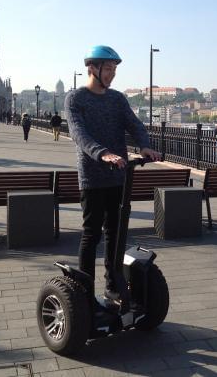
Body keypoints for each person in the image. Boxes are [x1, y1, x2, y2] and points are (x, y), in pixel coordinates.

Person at [65, 45, 161, 300]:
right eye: (108, 68)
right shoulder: (75, 99)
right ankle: (85, 291)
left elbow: (135, 124)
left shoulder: (117, 99)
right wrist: (101, 152)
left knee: (116, 234)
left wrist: (145, 146)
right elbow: (78, 133)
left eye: (114, 69)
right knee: (91, 234)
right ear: (92, 69)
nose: (112, 74)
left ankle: (112, 285)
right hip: (92, 178)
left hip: (118, 176)